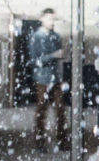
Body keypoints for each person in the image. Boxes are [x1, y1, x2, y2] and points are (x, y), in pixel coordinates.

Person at [23, 8, 69, 141]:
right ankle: (39, 141)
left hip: (56, 78)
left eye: (53, 19)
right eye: (49, 18)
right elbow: (34, 61)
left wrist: (60, 56)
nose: (52, 22)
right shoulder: (35, 37)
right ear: (42, 19)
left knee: (61, 111)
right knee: (42, 110)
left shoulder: (56, 37)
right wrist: (53, 56)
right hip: (42, 79)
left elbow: (57, 58)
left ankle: (62, 140)